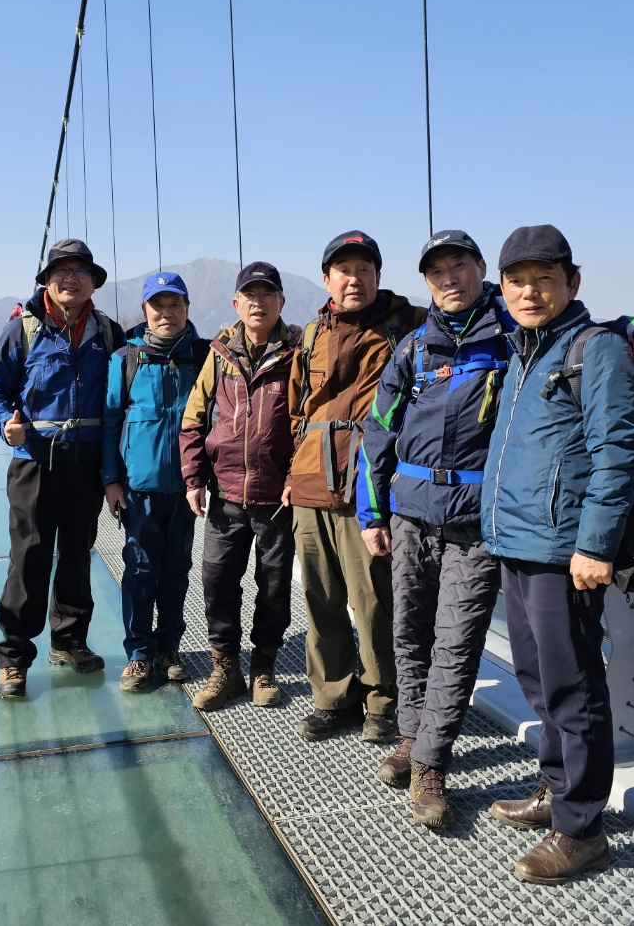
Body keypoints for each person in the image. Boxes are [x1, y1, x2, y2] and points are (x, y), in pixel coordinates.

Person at [359, 228, 634, 831]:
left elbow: (591, 330)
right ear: (426, 282)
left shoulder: (511, 331)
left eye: (459, 265)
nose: (449, 278)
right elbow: (378, 431)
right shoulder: (413, 347)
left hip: (481, 521)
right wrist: (373, 513)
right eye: (436, 271)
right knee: (410, 636)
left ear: (482, 271)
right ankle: (412, 738)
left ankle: (431, 763)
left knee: (456, 645)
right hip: (414, 512)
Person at [479, 224, 634, 884]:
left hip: (564, 552)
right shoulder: (523, 350)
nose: (529, 292)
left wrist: (595, 545)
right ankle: (555, 790)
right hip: (517, 542)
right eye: (517, 282)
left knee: (574, 687)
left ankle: (581, 830)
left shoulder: (594, 349)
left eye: (543, 279)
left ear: (572, 283)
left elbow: (619, 452)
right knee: (537, 679)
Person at [283, 231, 424, 745]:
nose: (354, 279)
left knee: (374, 602)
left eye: (365, 269)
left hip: (370, 486)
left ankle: (384, 700)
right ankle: (333, 698)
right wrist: (291, 475)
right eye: (344, 270)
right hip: (310, 485)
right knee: (320, 599)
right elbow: (297, 409)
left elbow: (482, 304)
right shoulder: (310, 335)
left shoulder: (409, 324)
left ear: (378, 276)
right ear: (327, 280)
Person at [0, 239, 122, 698]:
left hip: (86, 463)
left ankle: (69, 642)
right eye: (62, 270)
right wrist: (4, 424)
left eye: (81, 270)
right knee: (30, 557)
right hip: (35, 462)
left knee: (78, 554)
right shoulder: (21, 330)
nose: (71, 278)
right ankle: (14, 657)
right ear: (46, 280)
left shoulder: (108, 333)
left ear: (93, 282)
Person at [179, 261, 298, 711]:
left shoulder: (297, 353)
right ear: (236, 303)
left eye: (267, 294)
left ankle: (263, 665)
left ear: (281, 302)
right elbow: (193, 418)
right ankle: (225, 667)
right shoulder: (219, 355)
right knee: (217, 581)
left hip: (276, 498)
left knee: (275, 586)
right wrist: (194, 478)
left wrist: (295, 478)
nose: (258, 302)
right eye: (250, 295)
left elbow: (305, 423)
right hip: (225, 495)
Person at [101, 273, 207, 692]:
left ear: (187, 308)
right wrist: (110, 480)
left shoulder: (203, 356)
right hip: (138, 488)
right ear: (144, 311)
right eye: (157, 306)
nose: (166, 313)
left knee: (177, 570)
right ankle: (140, 654)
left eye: (174, 304)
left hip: (186, 488)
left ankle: (169, 649)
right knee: (141, 570)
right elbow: (111, 422)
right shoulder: (125, 359)